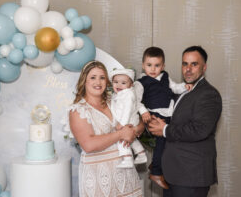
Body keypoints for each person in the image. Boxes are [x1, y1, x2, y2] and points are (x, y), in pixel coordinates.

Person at [147, 46, 222, 197]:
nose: (188, 69)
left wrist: (165, 129)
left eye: (194, 64)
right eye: (184, 64)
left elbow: (199, 129)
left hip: (191, 176)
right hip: (171, 174)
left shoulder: (209, 94)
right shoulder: (181, 91)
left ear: (204, 67)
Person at [69, 61, 144, 197]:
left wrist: (135, 130)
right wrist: (121, 133)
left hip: (125, 173)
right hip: (99, 177)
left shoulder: (115, 100)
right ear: (84, 81)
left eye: (102, 77)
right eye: (93, 77)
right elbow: (89, 145)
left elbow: (139, 121)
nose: (98, 82)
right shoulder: (78, 110)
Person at [134, 46, 190, 189]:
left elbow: (175, 88)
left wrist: (185, 86)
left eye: (157, 65)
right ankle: (156, 172)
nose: (153, 69)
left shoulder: (165, 76)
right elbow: (135, 100)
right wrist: (143, 112)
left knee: (172, 141)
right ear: (143, 65)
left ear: (163, 66)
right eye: (149, 65)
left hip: (169, 113)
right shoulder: (141, 82)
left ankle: (156, 164)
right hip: (154, 114)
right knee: (162, 140)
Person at [110, 68, 147, 168]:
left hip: (128, 121)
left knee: (122, 139)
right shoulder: (118, 94)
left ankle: (127, 159)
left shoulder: (128, 94)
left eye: (123, 83)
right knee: (133, 139)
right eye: (116, 82)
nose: (118, 85)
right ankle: (141, 154)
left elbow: (127, 110)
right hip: (129, 120)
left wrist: (122, 123)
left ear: (131, 85)